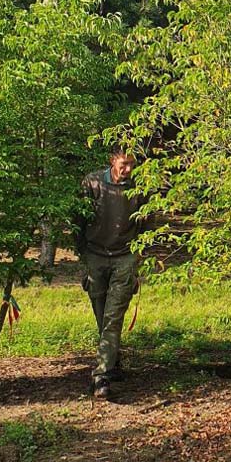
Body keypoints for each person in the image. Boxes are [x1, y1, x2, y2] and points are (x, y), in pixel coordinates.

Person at [76, 147, 143, 400]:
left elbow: (147, 226)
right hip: (95, 255)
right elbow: (78, 222)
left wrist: (138, 259)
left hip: (125, 256)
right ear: (112, 161)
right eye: (124, 164)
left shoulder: (139, 189)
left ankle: (100, 376)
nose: (127, 170)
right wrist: (83, 256)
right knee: (102, 314)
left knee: (113, 317)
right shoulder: (92, 183)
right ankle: (113, 361)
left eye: (132, 165)